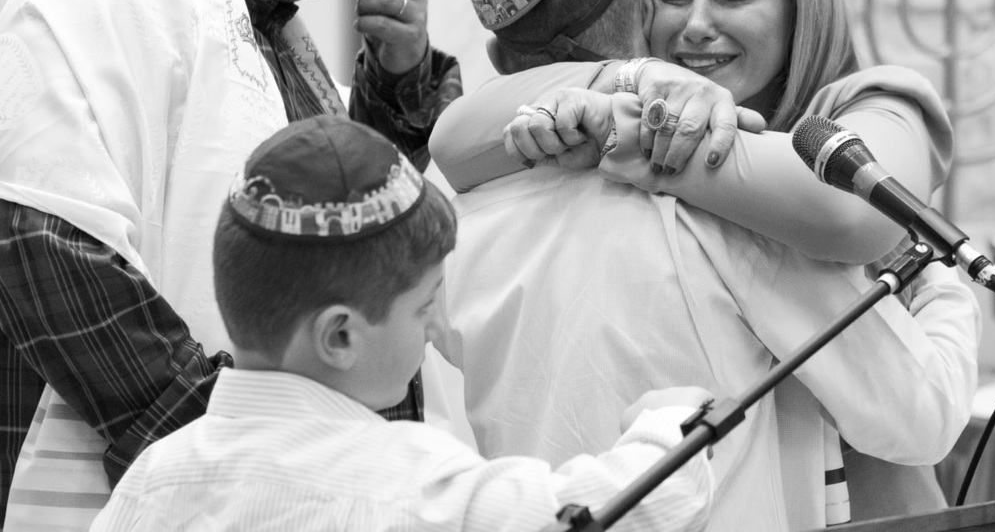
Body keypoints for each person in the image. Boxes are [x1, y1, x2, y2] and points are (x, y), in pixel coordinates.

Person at [0, 0, 460, 527]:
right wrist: (236, 464)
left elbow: (337, 222)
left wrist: (398, 78)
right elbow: (48, 249)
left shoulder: (258, 14)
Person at [430, 0, 978, 530]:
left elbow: (848, 214)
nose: (695, 26)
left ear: (804, 3)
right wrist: (633, 87)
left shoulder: (874, 103)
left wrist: (626, 128)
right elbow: (453, 138)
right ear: (639, 4)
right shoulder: (674, 200)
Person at [87, 115, 713, 532]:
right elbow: (620, 510)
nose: (436, 328)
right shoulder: (408, 485)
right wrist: (670, 428)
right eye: (423, 307)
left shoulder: (151, 482)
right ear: (340, 336)